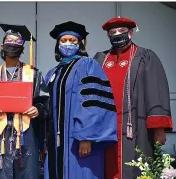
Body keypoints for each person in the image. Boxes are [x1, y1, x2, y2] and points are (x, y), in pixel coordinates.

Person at [93, 16, 174, 179]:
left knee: (136, 167)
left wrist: (159, 129)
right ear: (107, 35)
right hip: (104, 127)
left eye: (121, 31)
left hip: (136, 125)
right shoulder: (100, 59)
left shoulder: (145, 56)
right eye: (112, 32)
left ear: (131, 33)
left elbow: (156, 92)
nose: (117, 34)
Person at [44, 21, 118, 179]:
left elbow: (93, 101)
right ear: (57, 44)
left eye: (73, 40)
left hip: (77, 140)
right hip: (57, 140)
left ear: (80, 43)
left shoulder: (88, 65)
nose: (68, 44)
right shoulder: (55, 71)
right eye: (63, 41)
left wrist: (87, 137)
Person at [0, 23, 49, 179]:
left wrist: (37, 109)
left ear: (23, 48)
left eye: (17, 42)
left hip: (25, 135)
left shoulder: (34, 74)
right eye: (9, 41)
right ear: (2, 46)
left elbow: (45, 103)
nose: (13, 45)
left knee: (26, 172)